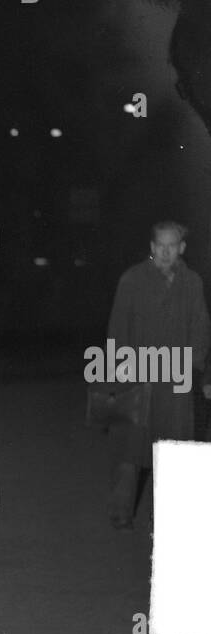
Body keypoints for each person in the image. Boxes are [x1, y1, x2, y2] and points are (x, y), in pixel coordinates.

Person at [105, 220, 211, 528]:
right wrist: (116, 380)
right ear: (152, 247)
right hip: (138, 378)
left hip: (175, 382)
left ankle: (164, 516)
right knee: (130, 450)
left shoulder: (192, 283)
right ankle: (120, 512)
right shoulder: (132, 280)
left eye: (172, 246)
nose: (166, 252)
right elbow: (117, 331)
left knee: (172, 449)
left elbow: (201, 329)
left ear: (181, 248)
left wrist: (194, 369)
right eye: (160, 246)